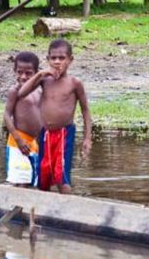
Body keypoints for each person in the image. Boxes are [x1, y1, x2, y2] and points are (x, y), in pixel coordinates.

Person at [17, 39, 92, 193]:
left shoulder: (74, 83)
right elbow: (22, 93)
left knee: (61, 178)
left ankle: (67, 209)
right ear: (48, 59)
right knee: (43, 178)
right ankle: (43, 211)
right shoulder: (44, 80)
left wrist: (87, 138)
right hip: (45, 134)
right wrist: (40, 73)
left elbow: (85, 110)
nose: (57, 62)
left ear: (70, 60)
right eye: (53, 58)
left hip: (65, 134)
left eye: (62, 58)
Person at [4, 51, 43, 186]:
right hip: (18, 142)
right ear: (15, 71)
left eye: (28, 73)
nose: (23, 77)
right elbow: (6, 115)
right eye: (20, 72)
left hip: (34, 143)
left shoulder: (39, 90)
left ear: (36, 73)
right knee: (20, 180)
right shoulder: (15, 91)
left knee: (32, 180)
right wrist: (18, 139)